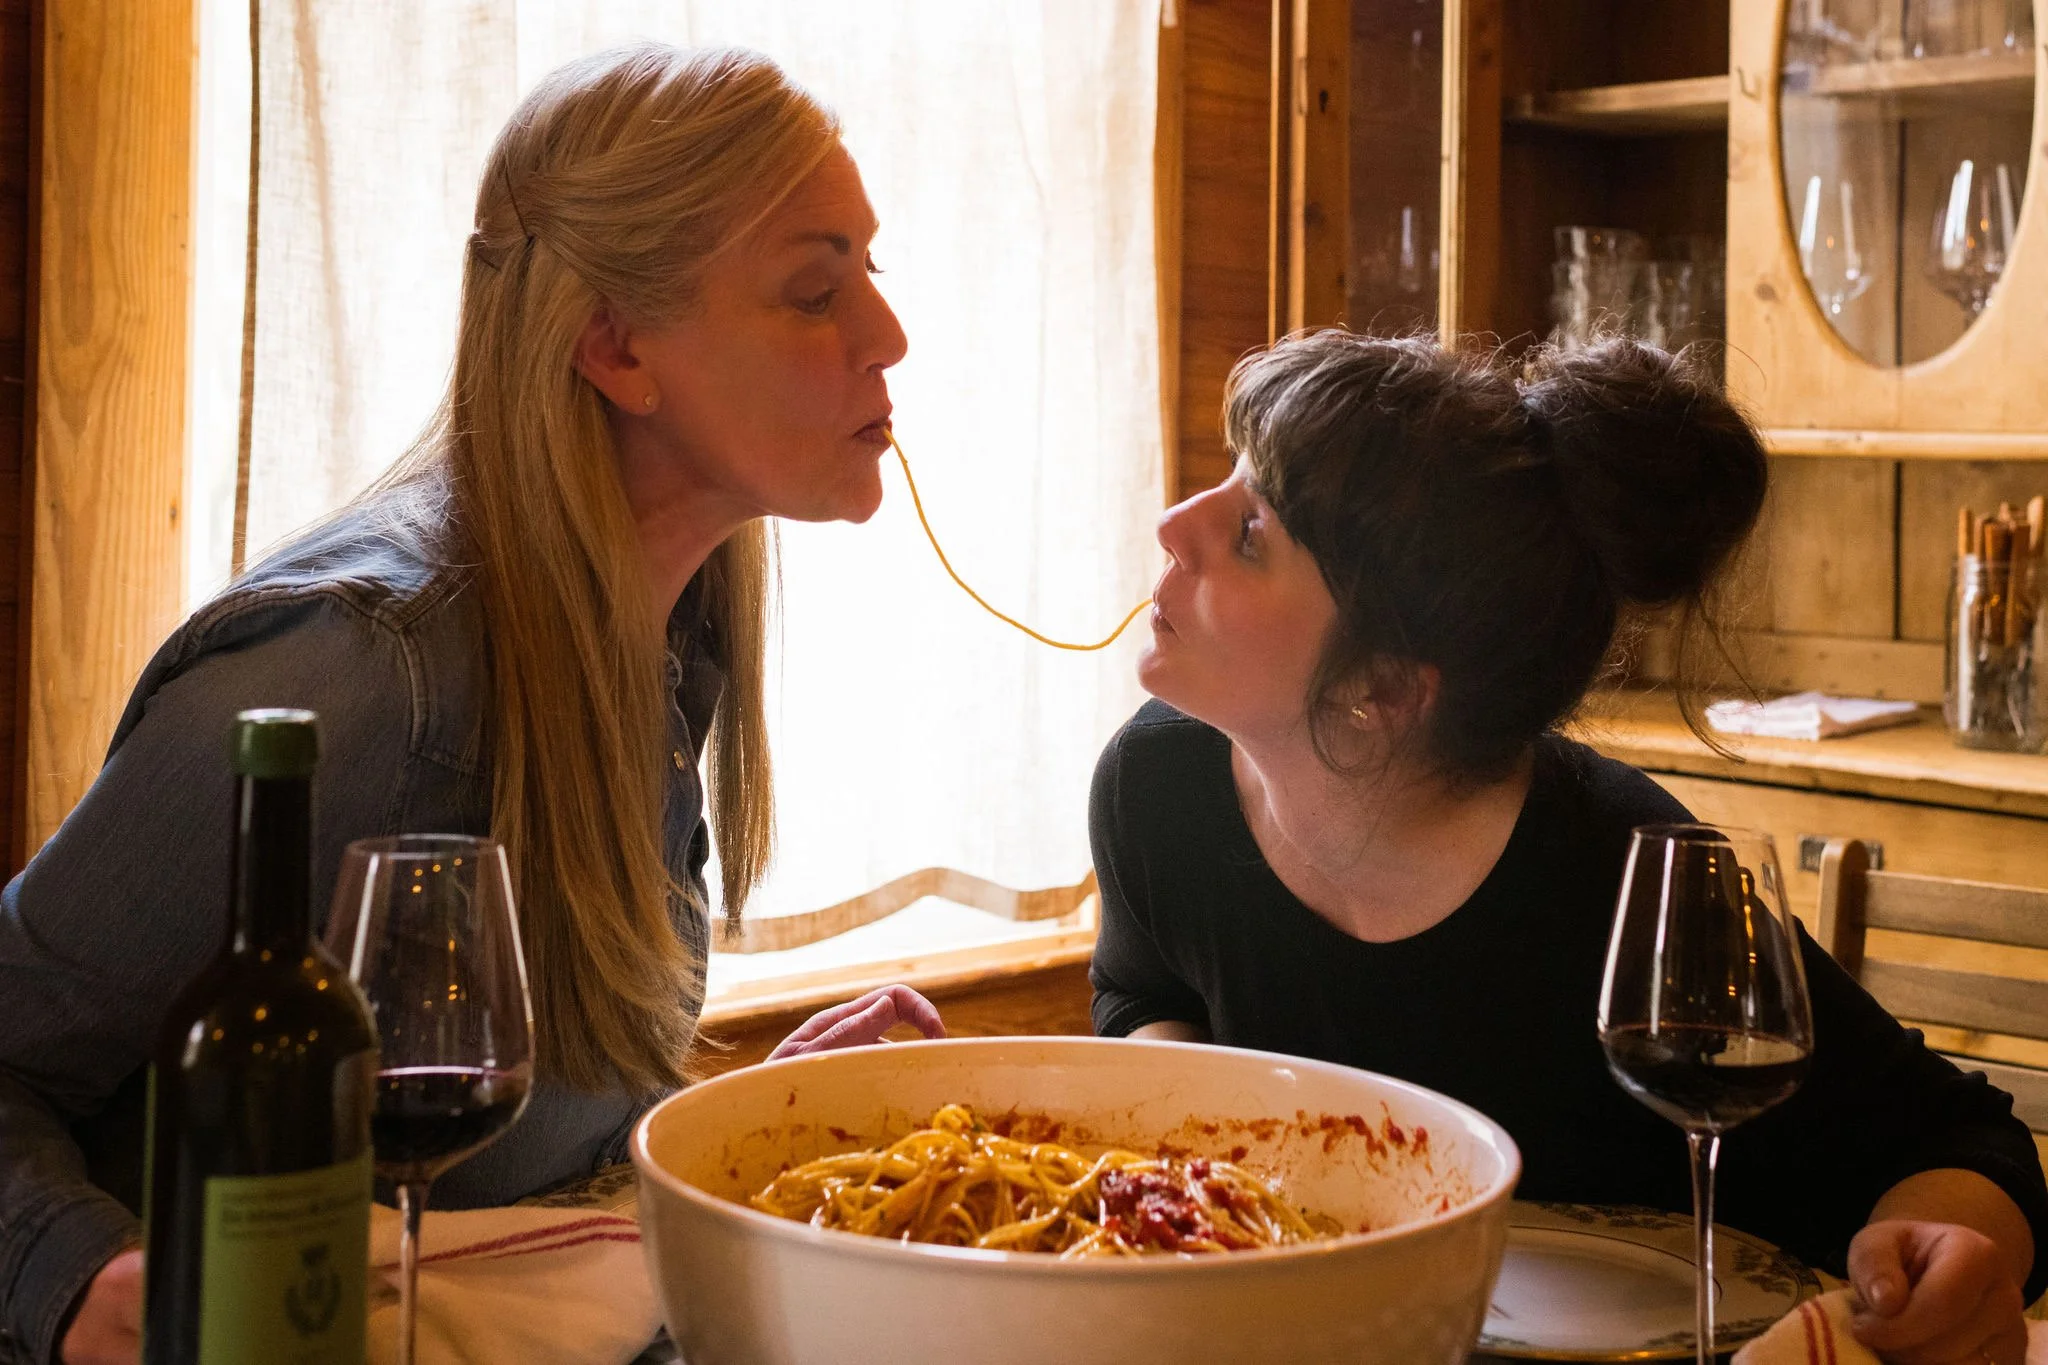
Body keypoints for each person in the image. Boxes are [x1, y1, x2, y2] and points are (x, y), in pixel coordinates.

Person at [0, 44, 943, 1365]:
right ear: (616, 347)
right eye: (812, 290)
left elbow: (501, 1166)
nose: (887, 336)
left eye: (872, 272)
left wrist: (727, 1114)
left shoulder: (668, 636)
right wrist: (77, 1278)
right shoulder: (354, 681)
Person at [1089, 330, 2048, 1364]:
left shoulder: (1629, 877)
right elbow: (1144, 996)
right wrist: (1214, 1132)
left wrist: (1955, 1241)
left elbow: (1964, 1146)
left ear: (1381, 691)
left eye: (1250, 534)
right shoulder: (1156, 788)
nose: (1174, 522)